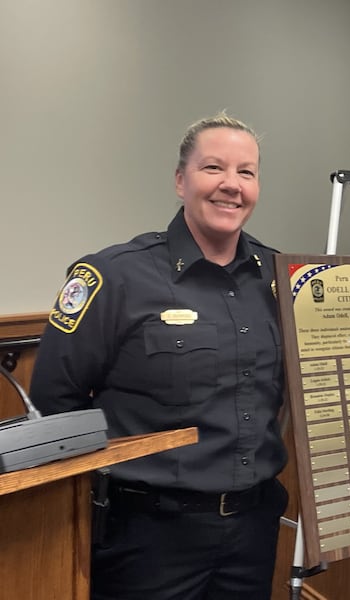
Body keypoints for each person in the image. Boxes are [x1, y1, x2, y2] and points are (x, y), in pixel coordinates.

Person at [29, 112, 288, 600]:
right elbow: (52, 404)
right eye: (213, 168)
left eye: (246, 172)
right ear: (180, 180)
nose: (231, 185)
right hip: (147, 538)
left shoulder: (280, 281)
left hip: (252, 529)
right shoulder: (113, 277)